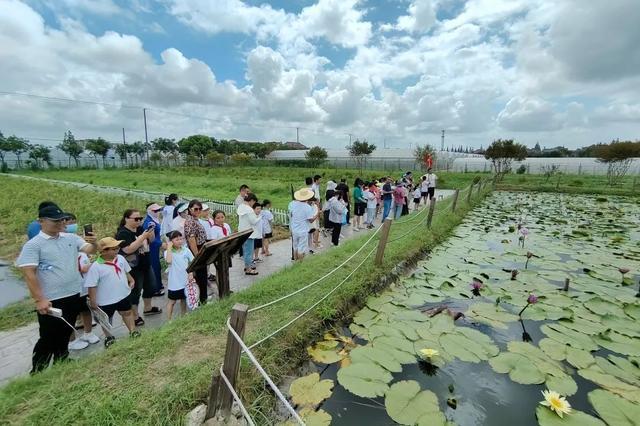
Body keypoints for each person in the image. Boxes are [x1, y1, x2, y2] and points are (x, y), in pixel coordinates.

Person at [16, 203, 97, 373]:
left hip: (73, 293)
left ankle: (62, 358)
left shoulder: (70, 238)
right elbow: (29, 273)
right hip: (52, 299)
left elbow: (88, 249)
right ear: (41, 221)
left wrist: (94, 243)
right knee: (48, 336)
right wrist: (40, 299)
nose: (61, 223)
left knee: (67, 329)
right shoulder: (34, 245)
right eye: (56, 221)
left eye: (62, 219)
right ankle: (39, 370)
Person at [85, 237, 138, 347]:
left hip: (123, 294)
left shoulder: (120, 259)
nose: (117, 250)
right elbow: (92, 286)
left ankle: (133, 331)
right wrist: (93, 301)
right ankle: (109, 337)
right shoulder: (96, 267)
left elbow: (125, 271)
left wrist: (131, 279)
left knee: (127, 312)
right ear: (103, 251)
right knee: (106, 319)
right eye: (113, 249)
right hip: (106, 300)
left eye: (117, 247)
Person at [116, 209, 161, 326]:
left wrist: (151, 233)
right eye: (136, 219)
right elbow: (128, 249)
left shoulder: (140, 229)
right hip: (133, 268)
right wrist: (142, 237)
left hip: (145, 263)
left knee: (151, 286)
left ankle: (148, 307)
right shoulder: (122, 233)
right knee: (135, 292)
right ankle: (135, 316)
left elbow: (150, 241)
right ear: (126, 219)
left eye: (140, 218)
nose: (139, 221)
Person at [68, 214, 100, 350]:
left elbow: (92, 249)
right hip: (70, 287)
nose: (72, 226)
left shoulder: (77, 239)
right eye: (69, 223)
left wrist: (94, 242)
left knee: (86, 310)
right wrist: (82, 268)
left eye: (74, 223)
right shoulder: (61, 243)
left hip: (84, 285)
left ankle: (88, 333)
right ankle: (71, 340)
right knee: (70, 314)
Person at [164, 231, 194, 320]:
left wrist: (191, 273)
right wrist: (169, 247)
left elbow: (192, 262)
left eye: (181, 239)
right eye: (177, 239)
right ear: (171, 241)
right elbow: (168, 261)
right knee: (172, 301)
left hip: (185, 279)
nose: (180, 241)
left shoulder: (185, 250)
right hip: (174, 281)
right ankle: (169, 320)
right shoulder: (168, 252)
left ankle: (183, 315)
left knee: (183, 298)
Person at [183, 200, 208, 304]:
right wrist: (197, 255)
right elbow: (191, 240)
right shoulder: (190, 222)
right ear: (190, 209)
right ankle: (202, 300)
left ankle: (203, 298)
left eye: (200, 209)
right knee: (201, 276)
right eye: (195, 209)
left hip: (201, 248)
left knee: (203, 275)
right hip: (197, 249)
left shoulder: (195, 220)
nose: (198, 211)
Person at [288, 188, 317, 260]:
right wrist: (317, 214)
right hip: (303, 230)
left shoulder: (293, 204)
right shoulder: (307, 207)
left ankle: (295, 261)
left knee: (295, 247)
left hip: (294, 229)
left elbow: (291, 215)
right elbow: (311, 220)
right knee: (301, 249)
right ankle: (300, 264)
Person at [143, 203, 164, 296]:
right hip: (151, 248)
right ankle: (155, 288)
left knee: (157, 266)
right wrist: (161, 244)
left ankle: (158, 285)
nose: (158, 212)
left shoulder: (154, 220)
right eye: (155, 211)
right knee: (154, 267)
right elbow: (150, 239)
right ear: (149, 211)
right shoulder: (149, 222)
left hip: (155, 247)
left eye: (159, 210)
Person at [237, 193, 260, 275]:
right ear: (252, 201)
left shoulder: (241, 207)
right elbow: (253, 221)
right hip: (249, 233)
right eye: (254, 202)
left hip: (243, 232)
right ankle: (248, 269)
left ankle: (247, 266)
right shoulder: (249, 209)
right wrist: (259, 217)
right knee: (249, 252)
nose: (254, 204)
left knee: (245, 250)